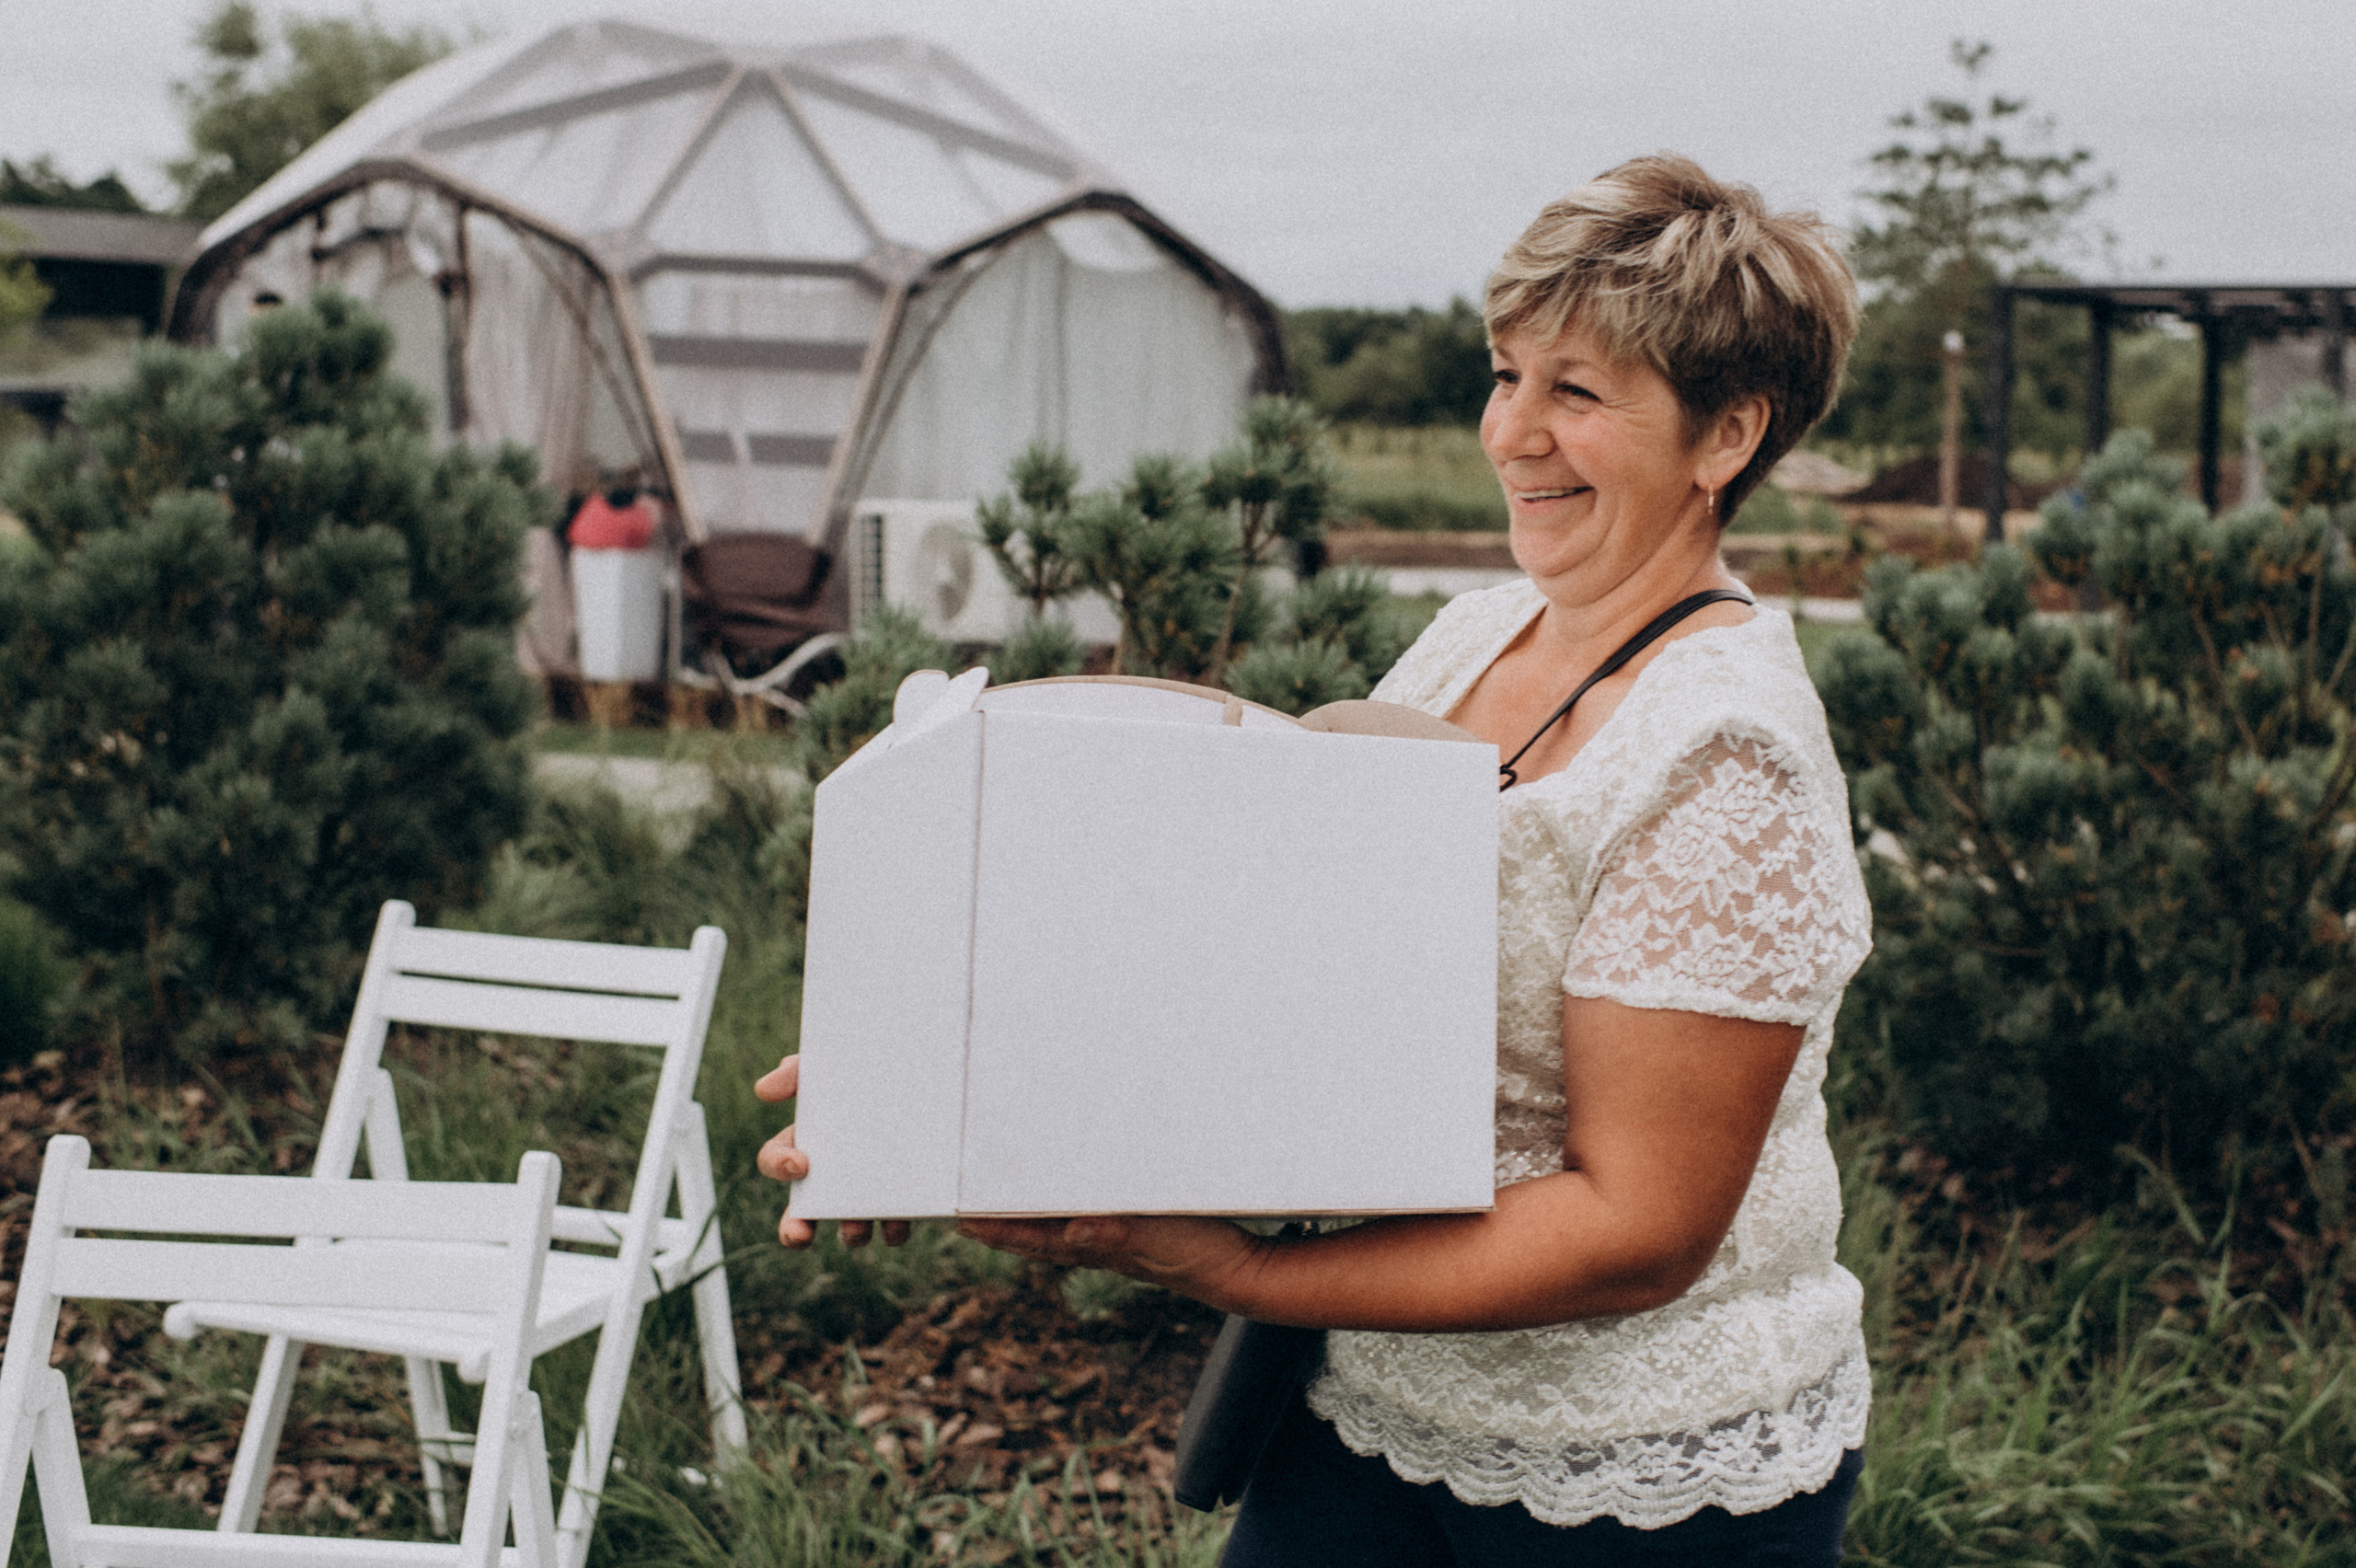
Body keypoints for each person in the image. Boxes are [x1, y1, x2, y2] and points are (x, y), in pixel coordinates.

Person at [757, 153, 1870, 1564]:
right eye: (1506, 374)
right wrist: (928, 1075)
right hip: (1363, 1418)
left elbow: (1636, 1230)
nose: (1512, 433)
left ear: (1726, 438)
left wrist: (1236, 1270)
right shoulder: (1480, 634)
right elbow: (1270, 956)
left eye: (1576, 393)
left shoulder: (1728, 758)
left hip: (1636, 1491)